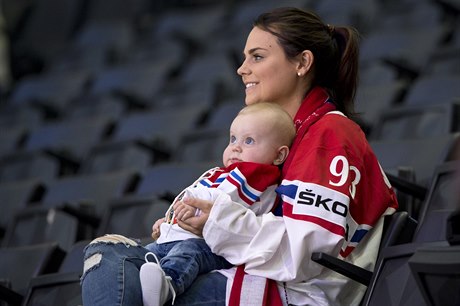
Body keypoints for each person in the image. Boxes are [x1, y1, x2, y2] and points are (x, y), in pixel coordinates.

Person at [81, 7, 398, 306]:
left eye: (257, 57)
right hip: (244, 268)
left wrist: (215, 222)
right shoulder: (276, 135)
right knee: (106, 254)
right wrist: (182, 225)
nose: (241, 68)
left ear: (302, 63)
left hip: (293, 293)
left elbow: (305, 255)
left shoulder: (328, 133)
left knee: (150, 295)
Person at [139, 102, 296, 306]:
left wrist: (187, 212)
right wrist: (170, 222)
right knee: (146, 252)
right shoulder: (223, 173)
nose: (235, 147)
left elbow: (221, 203)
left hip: (213, 246)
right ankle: (143, 281)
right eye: (232, 139)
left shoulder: (257, 175)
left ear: (279, 155)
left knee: (188, 252)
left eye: (249, 141)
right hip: (182, 236)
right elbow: (193, 200)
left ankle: (169, 285)